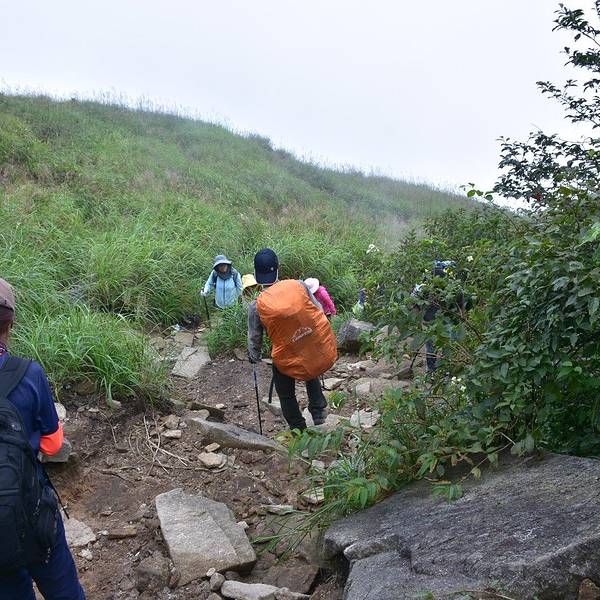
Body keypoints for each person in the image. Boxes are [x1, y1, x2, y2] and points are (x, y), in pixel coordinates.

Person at [0, 278, 86, 600]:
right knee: (64, 590)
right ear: (10, 324)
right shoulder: (29, 374)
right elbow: (52, 444)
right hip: (34, 512)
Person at [248, 249, 336, 431]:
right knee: (309, 367)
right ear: (278, 268)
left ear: (255, 274)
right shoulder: (298, 285)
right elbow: (318, 309)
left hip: (286, 354)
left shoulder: (257, 305)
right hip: (310, 343)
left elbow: (254, 338)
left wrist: (254, 357)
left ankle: (298, 429)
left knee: (285, 392)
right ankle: (318, 411)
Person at [412, 260, 465, 372]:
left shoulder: (453, 288)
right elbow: (416, 306)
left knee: (445, 346)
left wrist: (461, 319)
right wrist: (419, 323)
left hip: (445, 321)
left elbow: (460, 304)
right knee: (433, 347)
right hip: (430, 322)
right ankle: (433, 371)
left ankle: (443, 370)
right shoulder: (423, 289)